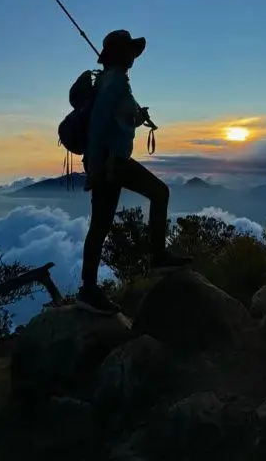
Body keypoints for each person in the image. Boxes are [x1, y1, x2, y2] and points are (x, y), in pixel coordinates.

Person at [76, 29, 191, 315]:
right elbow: (100, 123)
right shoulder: (114, 82)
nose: (133, 57)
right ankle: (158, 257)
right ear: (121, 54)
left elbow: (116, 120)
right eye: (129, 51)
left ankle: (88, 289)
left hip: (107, 162)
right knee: (160, 193)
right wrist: (95, 166)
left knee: (100, 225)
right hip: (111, 162)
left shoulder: (109, 81)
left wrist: (137, 118)